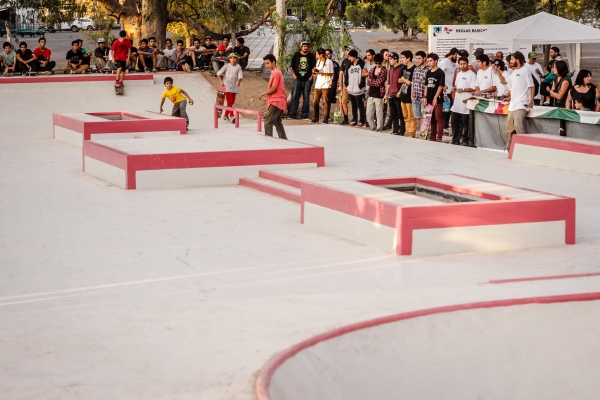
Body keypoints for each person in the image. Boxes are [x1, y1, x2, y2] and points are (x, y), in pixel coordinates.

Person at [497, 51, 534, 148]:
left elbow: (532, 86)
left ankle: (524, 148)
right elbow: (504, 81)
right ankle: (510, 149)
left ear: (518, 60)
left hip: (521, 104)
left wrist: (531, 101)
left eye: (512, 59)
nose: (511, 61)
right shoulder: (515, 72)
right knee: (509, 129)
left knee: (518, 127)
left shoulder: (525, 70)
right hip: (512, 105)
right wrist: (498, 72)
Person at [259, 54, 288, 139]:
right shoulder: (275, 73)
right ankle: (283, 139)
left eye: (268, 63)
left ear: (273, 62)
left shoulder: (276, 73)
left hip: (277, 101)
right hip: (278, 100)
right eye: (265, 64)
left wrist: (262, 93)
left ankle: (269, 142)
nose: (266, 65)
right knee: (277, 121)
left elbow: (273, 89)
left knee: (268, 122)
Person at [450, 57, 476, 145]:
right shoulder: (459, 74)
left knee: (466, 124)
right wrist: (455, 88)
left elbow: (473, 88)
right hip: (457, 103)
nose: (462, 65)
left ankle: (465, 140)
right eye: (461, 64)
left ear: (467, 64)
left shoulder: (472, 74)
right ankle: (455, 139)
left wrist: (464, 90)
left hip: (466, 103)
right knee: (454, 122)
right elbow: (457, 86)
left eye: (464, 64)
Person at [288, 42, 316, 120]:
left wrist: (311, 77)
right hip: (297, 79)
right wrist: (294, 76)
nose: (305, 48)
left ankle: (305, 114)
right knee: (295, 96)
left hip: (307, 79)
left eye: (307, 46)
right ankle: (293, 113)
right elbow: (291, 66)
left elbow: (314, 67)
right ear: (301, 47)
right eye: (304, 46)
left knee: (306, 97)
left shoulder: (311, 56)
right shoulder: (296, 55)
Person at [423, 53, 445, 142]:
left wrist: (435, 97)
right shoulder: (428, 72)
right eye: (428, 61)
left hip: (437, 99)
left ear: (436, 61)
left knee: (438, 118)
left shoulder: (440, 72)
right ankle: (432, 136)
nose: (429, 63)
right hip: (429, 98)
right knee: (430, 119)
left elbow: (440, 86)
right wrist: (425, 96)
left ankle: (439, 137)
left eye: (431, 61)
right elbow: (426, 85)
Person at [217, 53, 244, 123]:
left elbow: (240, 75)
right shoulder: (226, 66)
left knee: (232, 102)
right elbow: (218, 74)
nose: (233, 59)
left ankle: (225, 115)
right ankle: (232, 116)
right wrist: (221, 81)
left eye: (234, 58)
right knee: (230, 101)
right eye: (231, 58)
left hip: (235, 85)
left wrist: (238, 81)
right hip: (227, 85)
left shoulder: (238, 66)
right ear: (229, 59)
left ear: (236, 59)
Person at [344, 49, 366, 127]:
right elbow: (346, 76)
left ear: (354, 56)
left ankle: (362, 120)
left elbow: (364, 75)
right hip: (351, 89)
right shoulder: (349, 65)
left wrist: (361, 85)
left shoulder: (362, 64)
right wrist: (347, 85)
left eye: (350, 56)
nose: (349, 58)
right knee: (353, 105)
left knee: (360, 105)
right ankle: (354, 119)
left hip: (359, 89)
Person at [311, 48, 334, 124]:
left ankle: (325, 118)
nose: (316, 55)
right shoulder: (318, 61)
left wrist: (321, 72)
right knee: (315, 101)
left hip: (326, 83)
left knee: (326, 101)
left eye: (317, 54)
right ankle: (315, 117)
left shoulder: (329, 62)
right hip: (318, 83)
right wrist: (315, 72)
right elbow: (317, 71)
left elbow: (331, 73)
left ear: (321, 55)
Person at [366, 53, 387, 132]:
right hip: (371, 93)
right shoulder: (372, 69)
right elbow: (368, 81)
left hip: (379, 95)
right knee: (369, 114)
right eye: (376, 63)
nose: (378, 64)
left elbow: (379, 82)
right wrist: (374, 81)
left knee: (379, 114)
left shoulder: (384, 70)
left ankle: (379, 128)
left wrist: (372, 81)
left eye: (379, 63)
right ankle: (373, 127)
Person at [438, 48, 458, 129]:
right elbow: (439, 74)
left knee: (450, 108)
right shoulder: (444, 62)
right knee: (446, 108)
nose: (457, 58)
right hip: (445, 90)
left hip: (452, 89)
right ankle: (443, 124)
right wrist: (442, 85)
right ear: (453, 54)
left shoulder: (454, 63)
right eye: (456, 55)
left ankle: (445, 123)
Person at [385, 52, 404, 135]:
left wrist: (400, 92)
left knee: (401, 114)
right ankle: (395, 130)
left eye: (391, 59)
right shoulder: (391, 69)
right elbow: (389, 83)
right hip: (391, 94)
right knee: (393, 114)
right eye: (389, 59)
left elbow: (403, 82)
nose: (390, 61)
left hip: (398, 94)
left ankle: (402, 130)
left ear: (396, 59)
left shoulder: (401, 68)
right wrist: (386, 94)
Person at [399, 50, 416, 137]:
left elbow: (411, 83)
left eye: (403, 58)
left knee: (411, 115)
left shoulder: (414, 69)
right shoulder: (404, 68)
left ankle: (412, 131)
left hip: (410, 95)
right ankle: (407, 130)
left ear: (408, 58)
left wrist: (404, 80)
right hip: (403, 93)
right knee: (405, 115)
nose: (402, 59)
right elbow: (399, 80)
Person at [411, 51, 429, 132]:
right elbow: (413, 82)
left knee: (425, 117)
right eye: (416, 59)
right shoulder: (416, 69)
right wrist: (412, 94)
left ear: (424, 58)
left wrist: (425, 96)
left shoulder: (428, 69)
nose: (418, 60)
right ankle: (421, 133)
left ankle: (424, 133)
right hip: (416, 96)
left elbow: (428, 85)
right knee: (418, 117)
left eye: (419, 58)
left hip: (423, 97)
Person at [337, 46, 354, 125]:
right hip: (345, 84)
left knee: (355, 102)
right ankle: (346, 119)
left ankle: (357, 119)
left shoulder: (357, 61)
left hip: (354, 84)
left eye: (348, 50)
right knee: (343, 101)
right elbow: (341, 73)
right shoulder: (344, 61)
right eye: (346, 50)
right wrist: (340, 84)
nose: (346, 51)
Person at [325, 48, 340, 114]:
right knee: (325, 101)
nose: (327, 55)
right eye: (326, 54)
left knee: (330, 100)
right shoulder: (323, 63)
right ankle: (325, 115)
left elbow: (339, 73)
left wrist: (340, 83)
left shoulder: (335, 64)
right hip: (325, 85)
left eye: (328, 54)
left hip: (333, 85)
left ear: (331, 54)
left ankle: (328, 115)